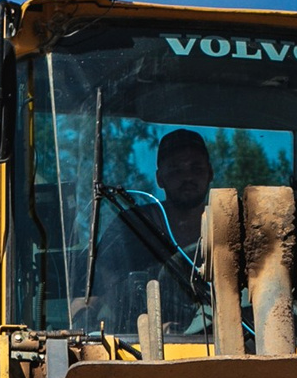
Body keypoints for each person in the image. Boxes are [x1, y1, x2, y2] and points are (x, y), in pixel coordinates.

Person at [91, 127, 214, 330]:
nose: (188, 177)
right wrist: (148, 325)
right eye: (176, 170)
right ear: (160, 178)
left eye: (196, 168)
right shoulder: (133, 228)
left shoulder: (230, 228)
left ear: (210, 173)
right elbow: (107, 289)